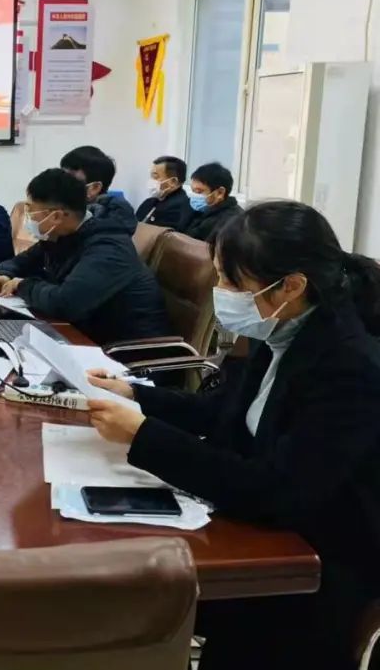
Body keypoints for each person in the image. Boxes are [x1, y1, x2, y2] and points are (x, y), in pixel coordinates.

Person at [86, 201, 380, 670]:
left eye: (231, 282)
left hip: (311, 567)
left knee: (127, 597)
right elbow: (223, 411)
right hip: (259, 530)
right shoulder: (284, 330)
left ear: (291, 286)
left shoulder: (349, 367)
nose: (220, 293)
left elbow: (278, 490)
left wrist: (145, 437)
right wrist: (136, 395)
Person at [0, 169, 171, 345]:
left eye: (31, 211)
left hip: (126, 352)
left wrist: (21, 285)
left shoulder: (108, 248)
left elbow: (65, 304)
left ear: (56, 216)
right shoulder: (63, 235)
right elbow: (24, 260)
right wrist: (5, 274)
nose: (28, 218)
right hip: (83, 334)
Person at [59, 145, 136, 233]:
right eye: (61, 175)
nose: (60, 184)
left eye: (69, 179)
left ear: (94, 188)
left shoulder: (108, 228)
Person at [184, 162, 242, 242]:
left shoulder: (231, 222)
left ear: (220, 192)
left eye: (199, 191)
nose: (195, 196)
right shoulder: (206, 210)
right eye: (193, 191)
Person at [134, 155, 191, 230]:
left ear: (173, 182)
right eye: (151, 176)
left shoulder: (177, 210)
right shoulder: (150, 202)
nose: (151, 181)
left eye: (155, 177)